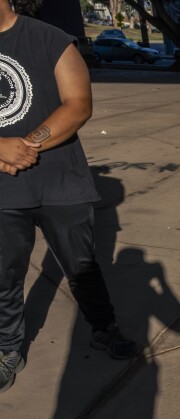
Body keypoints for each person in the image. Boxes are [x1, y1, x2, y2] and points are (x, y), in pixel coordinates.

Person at [0, 3, 138, 392]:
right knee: (4, 271)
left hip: (61, 182)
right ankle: (8, 347)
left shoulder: (50, 39)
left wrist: (23, 147)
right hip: (3, 188)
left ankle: (102, 327)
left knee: (82, 266)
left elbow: (78, 104)